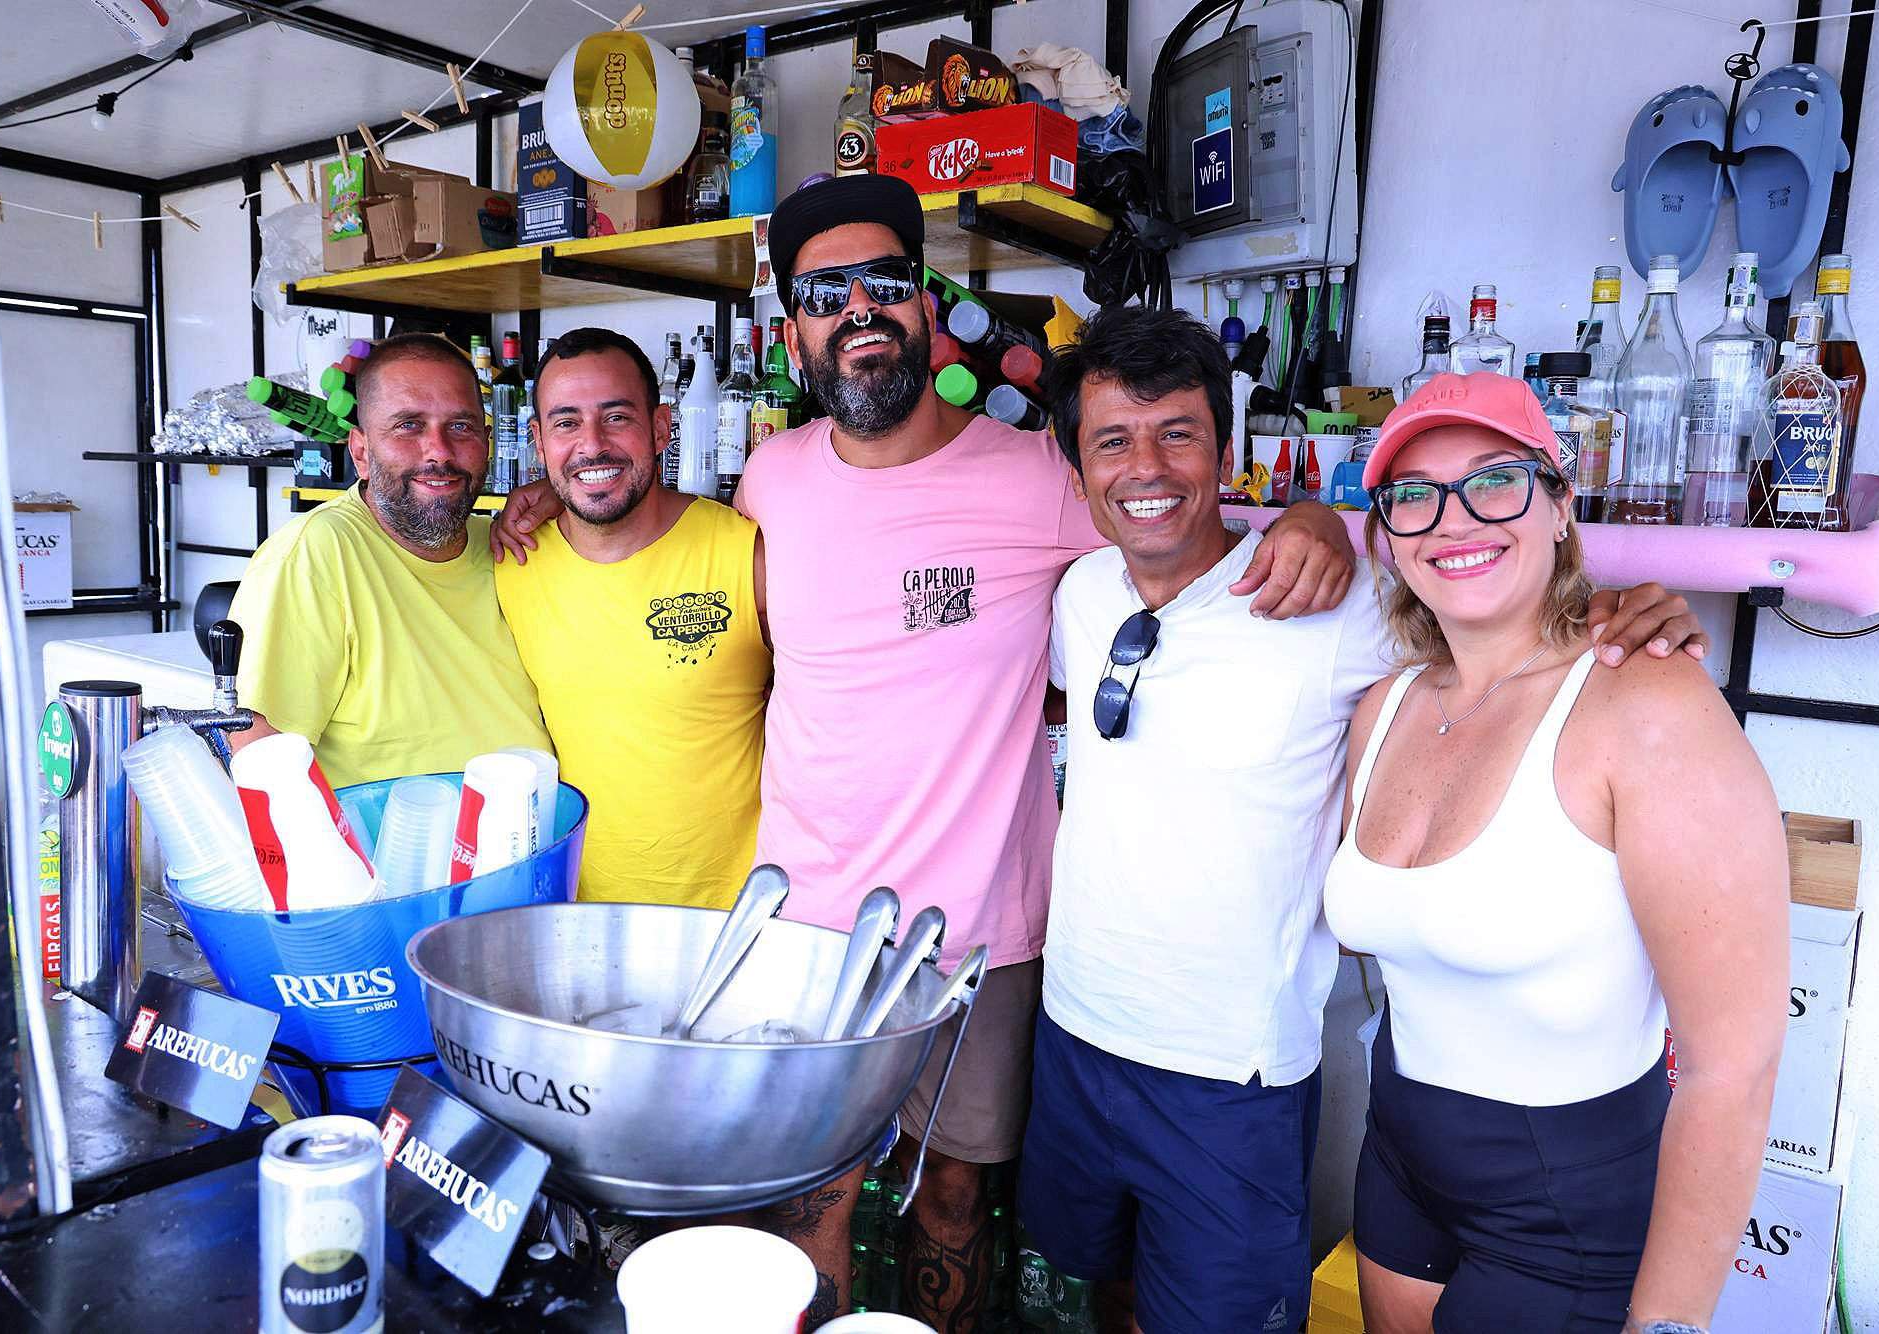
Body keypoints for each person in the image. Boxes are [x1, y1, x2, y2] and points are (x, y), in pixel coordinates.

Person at [495, 174, 1360, 1329]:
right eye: (826, 291)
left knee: (953, 1193)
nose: (860, 309)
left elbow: (1165, 515)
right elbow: (647, 540)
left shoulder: (1033, 481)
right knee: (810, 1197)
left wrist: (1314, 522)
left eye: (886, 283)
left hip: (985, 938)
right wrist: (540, 498)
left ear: (926, 303)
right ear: (793, 324)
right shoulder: (769, 479)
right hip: (804, 922)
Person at [1022, 313, 1714, 1334]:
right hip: (1073, 1034)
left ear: (1224, 449)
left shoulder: (1333, 608)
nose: (1146, 467)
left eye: (1179, 433)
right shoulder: (1080, 592)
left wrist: (1625, 615)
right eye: (1112, 441)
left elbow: (1493, 617)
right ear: (1079, 470)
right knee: (1079, 1301)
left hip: (1232, 1075)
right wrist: (1318, 512)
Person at [1322, 372, 1785, 1334]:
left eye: (1493, 480)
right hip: (1399, 1151)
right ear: (1385, 536)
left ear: (1559, 504)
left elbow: (1729, 1068)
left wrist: (1670, 1324)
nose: (1452, 520)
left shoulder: (1647, 709)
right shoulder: (1384, 710)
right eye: (1411, 496)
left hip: (1567, 1205)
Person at [494, 327, 769, 908]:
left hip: (740, 923)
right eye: (567, 423)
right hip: (574, 916)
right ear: (537, 441)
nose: (593, 444)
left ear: (663, 427)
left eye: (616, 417)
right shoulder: (509, 561)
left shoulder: (746, 554)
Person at [229, 333, 548, 786]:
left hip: (535, 843)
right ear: (360, 451)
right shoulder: (318, 552)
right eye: (408, 426)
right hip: (389, 853)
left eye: (461, 426)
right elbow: (261, 755)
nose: (439, 451)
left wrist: (557, 494)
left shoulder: (506, 545)